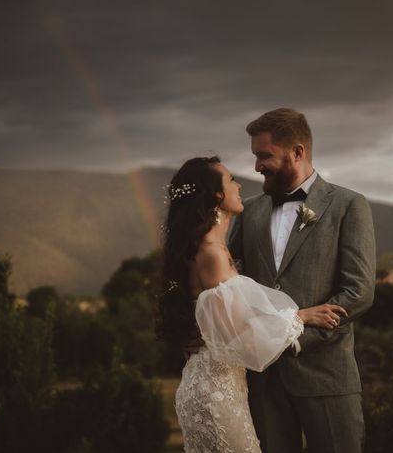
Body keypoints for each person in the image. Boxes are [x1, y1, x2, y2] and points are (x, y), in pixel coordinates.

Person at [157, 156, 347, 453]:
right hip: (216, 391)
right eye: (231, 179)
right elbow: (241, 331)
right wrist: (302, 317)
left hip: (217, 385)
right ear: (217, 195)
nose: (239, 184)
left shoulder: (214, 248)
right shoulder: (211, 253)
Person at [229, 108, 376, 453]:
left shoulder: (349, 205)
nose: (256, 166)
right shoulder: (247, 211)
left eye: (264, 155)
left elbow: (359, 291)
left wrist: (294, 338)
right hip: (263, 378)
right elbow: (231, 282)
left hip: (326, 373)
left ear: (297, 151)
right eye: (254, 156)